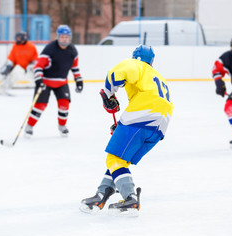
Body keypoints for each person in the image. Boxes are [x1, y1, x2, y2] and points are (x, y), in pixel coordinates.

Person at [80, 45, 174, 216]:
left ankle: (130, 197)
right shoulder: (158, 76)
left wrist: (108, 95)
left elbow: (115, 73)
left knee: (113, 159)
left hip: (143, 116)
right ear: (152, 61)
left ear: (135, 56)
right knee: (120, 160)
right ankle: (102, 194)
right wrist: (125, 126)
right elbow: (151, 98)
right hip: (160, 124)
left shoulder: (137, 65)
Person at [24, 25, 83, 137]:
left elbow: (75, 67)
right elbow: (38, 66)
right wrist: (39, 79)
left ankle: (62, 126)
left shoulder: (73, 51)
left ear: (69, 38)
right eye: (61, 37)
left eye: (66, 37)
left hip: (61, 82)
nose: (64, 39)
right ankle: (29, 127)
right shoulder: (50, 49)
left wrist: (78, 80)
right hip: (45, 81)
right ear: (57, 37)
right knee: (40, 105)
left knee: (64, 104)